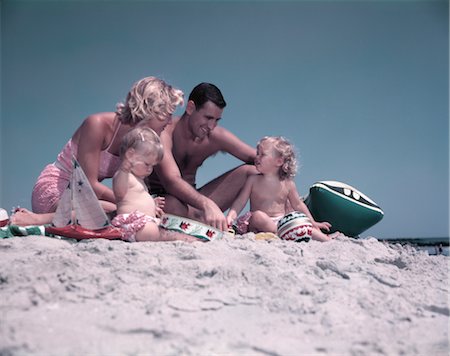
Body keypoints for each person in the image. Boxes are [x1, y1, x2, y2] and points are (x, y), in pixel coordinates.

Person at [11, 76, 184, 226]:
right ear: (151, 110)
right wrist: (134, 202)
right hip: (57, 189)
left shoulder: (139, 141)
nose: (170, 122)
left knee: (128, 213)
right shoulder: (97, 124)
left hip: (84, 197)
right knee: (114, 211)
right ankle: (36, 219)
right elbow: (89, 184)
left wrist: (145, 202)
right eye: (168, 114)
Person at [145, 82, 257, 231]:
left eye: (216, 120)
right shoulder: (164, 133)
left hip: (195, 203)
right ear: (190, 108)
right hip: (163, 200)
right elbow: (171, 181)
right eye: (208, 117)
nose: (211, 126)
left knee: (253, 171)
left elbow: (260, 159)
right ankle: (202, 221)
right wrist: (207, 204)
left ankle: (265, 218)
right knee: (173, 205)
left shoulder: (214, 136)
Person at [226, 136, 339, 242]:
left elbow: (298, 205)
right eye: (257, 153)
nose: (257, 157)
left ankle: (327, 240)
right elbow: (241, 201)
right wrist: (231, 215)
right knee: (258, 216)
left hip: (281, 222)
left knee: (303, 226)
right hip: (261, 222)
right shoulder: (253, 180)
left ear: (279, 161)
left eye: (262, 154)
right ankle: (281, 234)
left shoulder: (288, 184)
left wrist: (312, 222)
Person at [111, 126, 193, 242]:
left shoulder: (139, 180)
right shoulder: (124, 175)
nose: (150, 169)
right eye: (147, 164)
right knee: (152, 230)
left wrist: (152, 204)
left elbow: (135, 199)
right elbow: (119, 193)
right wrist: (124, 170)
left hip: (143, 224)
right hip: (132, 224)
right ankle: (166, 236)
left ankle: (177, 237)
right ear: (130, 155)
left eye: (152, 166)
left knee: (163, 224)